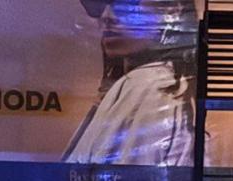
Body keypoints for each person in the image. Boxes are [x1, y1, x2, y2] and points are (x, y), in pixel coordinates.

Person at [63, 0, 199, 166]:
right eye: (100, 8)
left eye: (125, 4)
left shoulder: (148, 87)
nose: (106, 16)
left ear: (171, 11)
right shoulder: (157, 85)